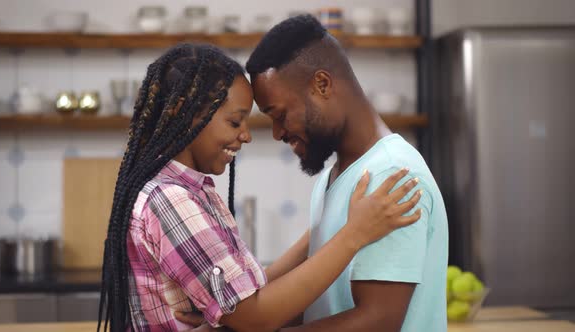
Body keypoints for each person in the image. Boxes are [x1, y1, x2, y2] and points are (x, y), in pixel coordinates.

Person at [97, 43, 422, 331]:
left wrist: (325, 229)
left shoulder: (186, 191)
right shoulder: (171, 200)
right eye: (235, 122)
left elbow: (250, 292)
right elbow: (257, 316)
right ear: (188, 113)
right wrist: (354, 235)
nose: (246, 136)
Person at [179, 15, 449, 331]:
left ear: (322, 84)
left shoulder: (389, 174)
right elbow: (317, 303)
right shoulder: (336, 177)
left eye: (280, 115)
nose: (277, 133)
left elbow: (378, 321)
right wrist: (230, 316)